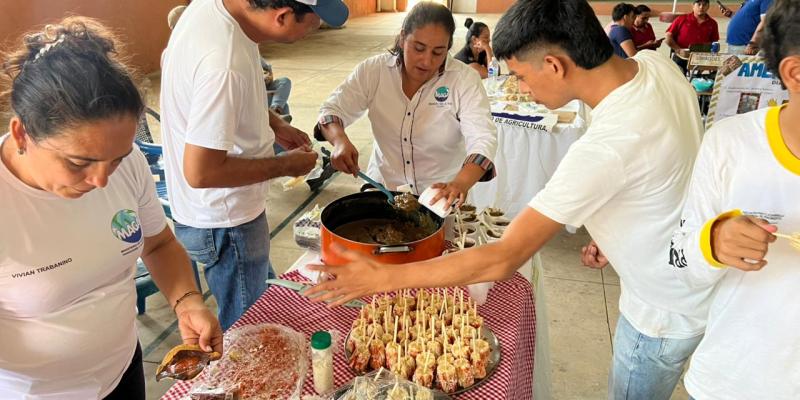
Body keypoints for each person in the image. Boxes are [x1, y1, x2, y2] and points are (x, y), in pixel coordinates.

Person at [307, 0, 708, 399]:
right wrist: (624, 225)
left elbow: (503, 257)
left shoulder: (608, 147)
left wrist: (382, 278)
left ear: (553, 65)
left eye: (518, 75)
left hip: (657, 310)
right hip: (684, 274)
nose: (519, 89)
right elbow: (675, 162)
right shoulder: (657, 66)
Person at [0, 17, 222, 398]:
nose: (102, 181)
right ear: (23, 134)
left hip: (122, 370)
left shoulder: (129, 163)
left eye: (115, 159)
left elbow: (158, 244)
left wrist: (187, 303)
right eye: (78, 162)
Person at [160, 0, 348, 330]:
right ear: (282, 16)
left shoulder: (218, 11)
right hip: (227, 220)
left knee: (265, 302)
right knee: (249, 333)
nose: (312, 32)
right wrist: (284, 165)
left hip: (219, 216)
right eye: (312, 25)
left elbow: (229, 101)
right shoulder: (223, 62)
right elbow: (201, 171)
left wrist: (275, 124)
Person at [669, 1, 800, 398]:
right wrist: (714, 240)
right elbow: (681, 260)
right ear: (795, 73)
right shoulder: (732, 145)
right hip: (737, 379)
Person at [316, 2, 497, 208]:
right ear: (402, 38)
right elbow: (332, 110)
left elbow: (483, 137)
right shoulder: (374, 71)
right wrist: (340, 141)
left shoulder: (463, 80)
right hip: (383, 188)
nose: (426, 61)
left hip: (441, 196)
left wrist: (460, 183)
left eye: (438, 52)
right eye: (419, 48)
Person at [665, 0, 719, 72]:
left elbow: (714, 42)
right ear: (693, 6)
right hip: (682, 55)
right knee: (678, 76)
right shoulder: (681, 19)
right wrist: (678, 49)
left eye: (704, 5)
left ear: (708, 6)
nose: (701, 7)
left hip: (701, 57)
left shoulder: (713, 23)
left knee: (710, 76)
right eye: (698, 4)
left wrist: (709, 55)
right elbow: (668, 36)